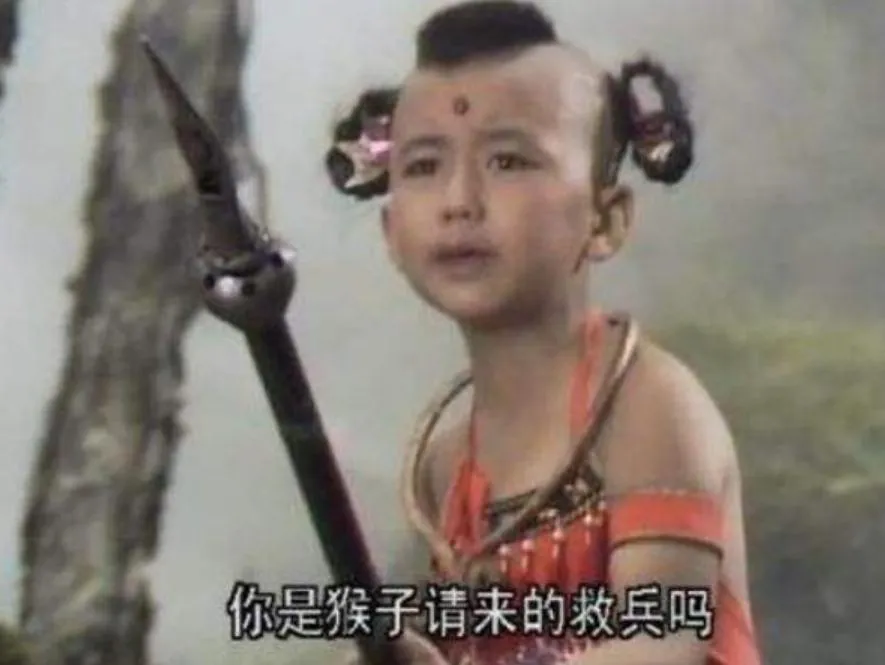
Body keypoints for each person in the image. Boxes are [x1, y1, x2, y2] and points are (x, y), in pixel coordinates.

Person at [324, 2, 760, 664]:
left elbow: (662, 640)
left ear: (604, 220)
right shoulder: (444, 467)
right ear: (390, 233)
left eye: (507, 161)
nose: (459, 201)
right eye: (423, 166)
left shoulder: (648, 408)